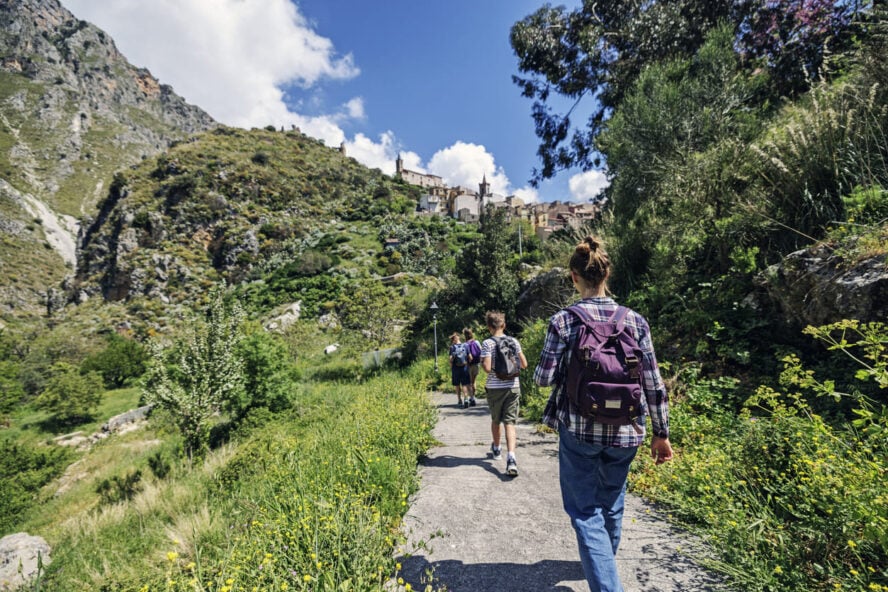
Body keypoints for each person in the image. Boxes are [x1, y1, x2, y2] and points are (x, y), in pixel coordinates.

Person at [534, 236, 673, 592]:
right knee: (611, 501)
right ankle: (602, 564)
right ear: (607, 274)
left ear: (573, 277)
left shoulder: (564, 321)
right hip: (627, 431)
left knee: (584, 512)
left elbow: (543, 379)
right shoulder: (636, 321)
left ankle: (606, 583)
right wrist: (662, 433)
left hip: (580, 430)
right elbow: (654, 383)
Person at [480, 311, 528, 476]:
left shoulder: (487, 343)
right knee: (510, 423)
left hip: (494, 387)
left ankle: (497, 448)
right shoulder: (513, 341)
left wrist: (491, 365)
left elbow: (486, 368)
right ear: (504, 325)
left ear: (489, 327)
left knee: (496, 420)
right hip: (513, 387)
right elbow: (524, 364)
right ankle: (512, 458)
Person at [448, 332, 472, 408]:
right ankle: (466, 398)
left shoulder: (452, 347)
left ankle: (459, 400)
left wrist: (451, 367)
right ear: (459, 338)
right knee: (465, 384)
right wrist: (467, 363)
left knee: (457, 385)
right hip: (464, 367)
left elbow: (450, 360)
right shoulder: (466, 345)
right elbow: (470, 357)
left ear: (453, 340)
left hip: (455, 368)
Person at [463, 327, 482, 407]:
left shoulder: (464, 344)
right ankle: (473, 397)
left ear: (465, 335)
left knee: (469, 383)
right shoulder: (476, 342)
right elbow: (481, 351)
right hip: (476, 364)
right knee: (474, 382)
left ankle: (471, 398)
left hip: (468, 365)